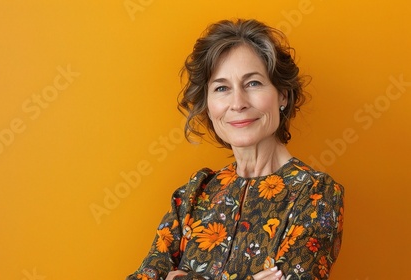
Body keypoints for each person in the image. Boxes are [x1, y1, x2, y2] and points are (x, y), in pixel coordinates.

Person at [126, 18, 344, 280]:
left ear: (282, 95)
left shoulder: (315, 194)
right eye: (221, 88)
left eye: (253, 83)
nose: (238, 103)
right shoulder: (195, 193)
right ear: (207, 104)